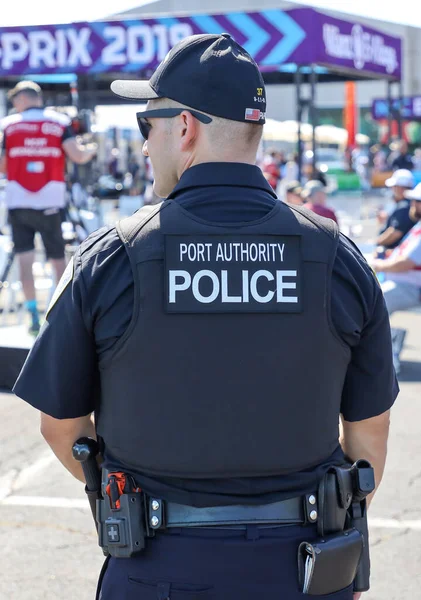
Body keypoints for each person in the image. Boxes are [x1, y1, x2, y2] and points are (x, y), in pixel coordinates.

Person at [14, 34, 397, 600]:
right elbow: (369, 440)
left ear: (185, 127)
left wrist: (133, 503)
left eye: (149, 125)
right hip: (306, 571)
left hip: (156, 565)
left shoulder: (113, 257)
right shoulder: (338, 257)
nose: (145, 146)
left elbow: (61, 426)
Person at [0, 81, 96, 333]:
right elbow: (77, 155)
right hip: (50, 200)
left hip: (18, 200)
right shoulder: (58, 122)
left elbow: (2, 166)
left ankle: (32, 314)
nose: (13, 103)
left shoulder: (7, 125)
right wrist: (91, 148)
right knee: (57, 259)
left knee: (24, 258)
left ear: (23, 98)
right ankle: (62, 313)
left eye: (14, 99)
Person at [371, 182, 421, 372]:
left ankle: (389, 355)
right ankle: (392, 340)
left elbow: (406, 263)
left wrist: (378, 265)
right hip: (402, 283)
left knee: (374, 302)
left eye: (416, 201)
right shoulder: (418, 226)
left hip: (412, 287)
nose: (412, 205)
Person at [376, 169, 415, 251]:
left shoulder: (404, 206)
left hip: (395, 252)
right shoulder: (408, 204)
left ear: (401, 188)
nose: (392, 189)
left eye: (394, 186)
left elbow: (395, 232)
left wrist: (378, 242)